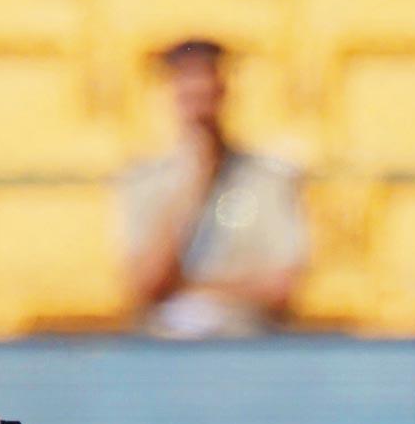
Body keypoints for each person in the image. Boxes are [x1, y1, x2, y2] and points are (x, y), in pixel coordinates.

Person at [121, 39, 309, 339]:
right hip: (168, 351)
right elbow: (144, 285)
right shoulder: (143, 181)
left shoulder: (268, 179)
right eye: (187, 79)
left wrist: (189, 290)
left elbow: (280, 288)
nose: (199, 91)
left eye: (206, 77)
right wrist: (193, 183)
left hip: (249, 344)